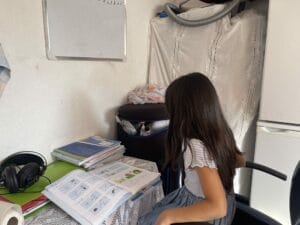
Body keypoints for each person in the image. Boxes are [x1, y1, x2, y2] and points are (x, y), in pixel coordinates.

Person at [138, 72, 245, 225]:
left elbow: (217, 207)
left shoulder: (196, 146)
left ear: (182, 112)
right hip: (228, 204)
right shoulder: (220, 130)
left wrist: (169, 216)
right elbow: (240, 160)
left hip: (206, 214)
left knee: (150, 220)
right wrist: (220, 161)